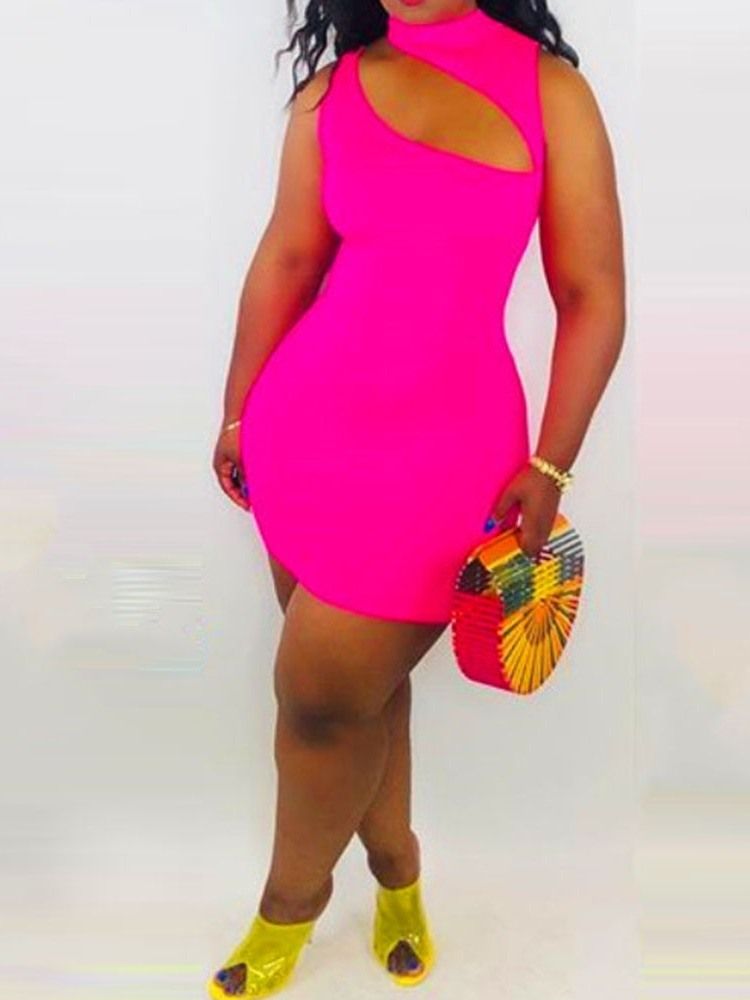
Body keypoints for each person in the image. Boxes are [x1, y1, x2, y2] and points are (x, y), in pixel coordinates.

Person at [210, 0, 625, 995]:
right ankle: (397, 868)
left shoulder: (552, 94)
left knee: (320, 701)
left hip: (446, 460)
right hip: (302, 433)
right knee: (359, 697)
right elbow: (287, 257)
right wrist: (237, 413)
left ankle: (290, 904)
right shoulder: (331, 94)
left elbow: (594, 294)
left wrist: (552, 464)